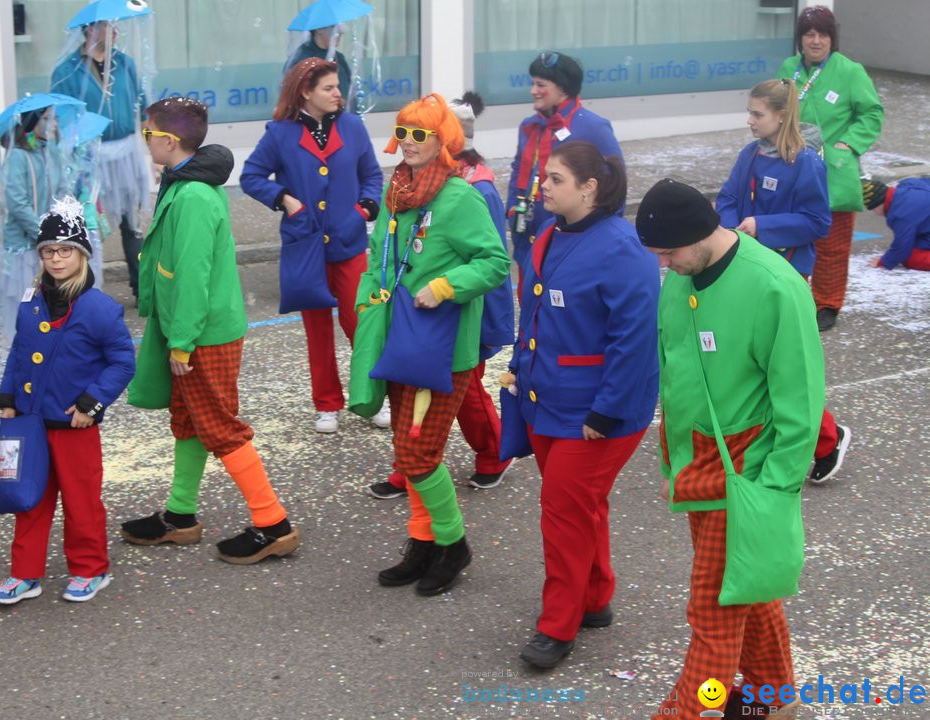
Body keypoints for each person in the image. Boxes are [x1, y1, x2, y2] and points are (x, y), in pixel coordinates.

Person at [637, 179, 825, 719]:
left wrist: (774, 490)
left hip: (747, 477)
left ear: (700, 233)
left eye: (670, 252)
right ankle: (775, 697)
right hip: (696, 466)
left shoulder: (776, 286)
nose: (666, 265)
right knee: (747, 584)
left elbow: (802, 398)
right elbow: (673, 365)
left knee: (714, 614)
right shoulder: (682, 275)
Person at [120, 98, 300, 565]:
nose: (146, 142)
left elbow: (194, 274)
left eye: (148, 135)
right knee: (190, 420)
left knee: (219, 425)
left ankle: (273, 523)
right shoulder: (184, 185)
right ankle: (180, 516)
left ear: (168, 141)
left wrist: (181, 342)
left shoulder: (195, 196)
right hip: (194, 330)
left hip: (202, 335)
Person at [503, 141, 658, 668]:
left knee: (563, 513)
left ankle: (558, 625)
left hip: (596, 414)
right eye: (544, 177)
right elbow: (539, 317)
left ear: (589, 188)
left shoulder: (624, 248)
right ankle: (595, 597)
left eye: (554, 179)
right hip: (547, 401)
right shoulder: (548, 233)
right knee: (580, 505)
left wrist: (606, 412)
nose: (541, 186)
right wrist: (519, 375)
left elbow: (634, 341)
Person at [351, 93, 510, 595]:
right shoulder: (397, 189)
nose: (410, 143)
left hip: (442, 346)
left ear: (444, 139)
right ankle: (422, 544)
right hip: (401, 338)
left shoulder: (460, 197)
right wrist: (366, 299)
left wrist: (443, 287)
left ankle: (453, 544)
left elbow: (494, 263)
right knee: (409, 449)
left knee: (419, 456)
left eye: (421, 134)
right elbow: (379, 254)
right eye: (403, 132)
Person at [0, 197, 136, 605]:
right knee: (28, 499)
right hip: (31, 422)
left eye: (66, 250)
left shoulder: (100, 309)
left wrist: (92, 404)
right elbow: (20, 352)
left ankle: (92, 569)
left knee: (81, 500)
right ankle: (25, 574)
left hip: (75, 425)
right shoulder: (31, 301)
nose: (56, 259)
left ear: (82, 254)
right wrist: (8, 397)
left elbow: (123, 363)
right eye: (48, 251)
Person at [241, 58, 386, 434]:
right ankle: (327, 405)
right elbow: (251, 175)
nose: (338, 93)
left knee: (361, 324)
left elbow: (371, 174)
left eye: (338, 87)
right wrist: (284, 198)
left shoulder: (353, 127)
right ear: (306, 92)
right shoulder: (280, 133)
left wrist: (364, 208)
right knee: (317, 332)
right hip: (304, 246)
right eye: (329, 88)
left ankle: (371, 399)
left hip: (349, 242)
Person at [716, 78, 850, 484]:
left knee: (781, 368)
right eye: (750, 112)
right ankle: (759, 436)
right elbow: (726, 198)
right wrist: (728, 233)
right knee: (751, 362)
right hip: (744, 270)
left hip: (785, 277)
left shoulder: (805, 161)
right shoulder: (750, 154)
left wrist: (762, 225)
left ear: (781, 115)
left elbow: (817, 222)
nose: (750, 121)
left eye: (757, 114)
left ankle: (828, 437)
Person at [778, 5, 883, 331]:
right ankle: (791, 297)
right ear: (800, 39)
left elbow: (872, 114)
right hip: (792, 168)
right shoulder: (789, 69)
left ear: (832, 38)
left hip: (833, 173)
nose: (815, 40)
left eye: (823, 34)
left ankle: (827, 304)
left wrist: (849, 144)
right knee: (789, 238)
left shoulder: (850, 71)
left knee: (832, 245)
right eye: (809, 34)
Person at [51, 19, 151, 300]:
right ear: (91, 30)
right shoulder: (66, 71)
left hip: (127, 153)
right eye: (109, 26)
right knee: (91, 224)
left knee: (132, 224)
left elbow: (144, 108)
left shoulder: (125, 64)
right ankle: (85, 290)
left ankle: (142, 288)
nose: (116, 31)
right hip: (90, 157)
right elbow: (61, 120)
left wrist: (153, 154)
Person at [507, 52, 622, 290]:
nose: (533, 91)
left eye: (541, 85)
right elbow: (518, 172)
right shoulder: (529, 127)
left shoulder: (591, 126)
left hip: (571, 239)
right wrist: (512, 211)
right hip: (528, 238)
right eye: (533, 83)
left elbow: (615, 183)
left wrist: (603, 236)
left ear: (563, 89)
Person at [0, 108, 64, 342]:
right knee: (29, 301)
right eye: (47, 119)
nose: (53, 124)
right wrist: (44, 232)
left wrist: (62, 220)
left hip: (50, 241)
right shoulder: (18, 156)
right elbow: (17, 202)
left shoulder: (50, 151)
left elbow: (61, 190)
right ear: (33, 123)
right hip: (25, 244)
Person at [863, 177, 930, 271]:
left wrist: (883, 261)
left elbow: (901, 248)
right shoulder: (906, 185)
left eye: (873, 209)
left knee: (909, 258)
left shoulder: (900, 214)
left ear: (878, 205)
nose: (875, 213)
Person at [285, 26, 352, 105]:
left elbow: (351, 95)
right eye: (335, 26)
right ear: (319, 29)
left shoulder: (338, 58)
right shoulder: (301, 60)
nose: (341, 31)